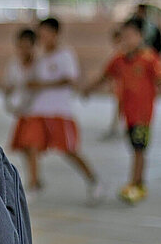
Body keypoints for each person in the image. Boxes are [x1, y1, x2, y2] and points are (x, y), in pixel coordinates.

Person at [82, 18, 161, 206]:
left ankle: (136, 184)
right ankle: (138, 183)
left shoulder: (149, 58)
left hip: (143, 114)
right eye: (124, 36)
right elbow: (104, 77)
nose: (126, 39)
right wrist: (88, 89)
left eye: (130, 35)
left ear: (140, 36)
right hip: (128, 113)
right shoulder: (119, 59)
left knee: (138, 149)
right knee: (134, 147)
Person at [11, 19, 101, 204]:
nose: (42, 38)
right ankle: (34, 184)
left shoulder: (65, 55)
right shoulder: (39, 57)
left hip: (59, 110)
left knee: (69, 150)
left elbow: (69, 79)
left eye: (45, 34)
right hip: (37, 110)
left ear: (55, 33)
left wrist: (42, 85)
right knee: (30, 145)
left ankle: (93, 180)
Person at [100, 27, 124, 140]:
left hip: (129, 87)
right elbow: (109, 73)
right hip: (121, 86)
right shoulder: (117, 57)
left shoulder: (125, 56)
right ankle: (116, 127)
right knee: (120, 106)